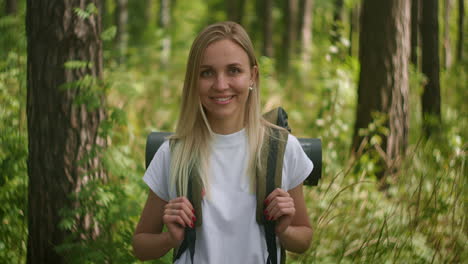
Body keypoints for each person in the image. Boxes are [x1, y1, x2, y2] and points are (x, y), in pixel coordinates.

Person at [132, 21, 313, 263]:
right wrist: (169, 239)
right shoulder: (174, 153)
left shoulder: (281, 148)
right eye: (207, 72)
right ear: (193, 81)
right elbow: (141, 245)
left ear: (253, 76)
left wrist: (285, 230)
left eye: (234, 70)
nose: (220, 85)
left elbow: (304, 239)